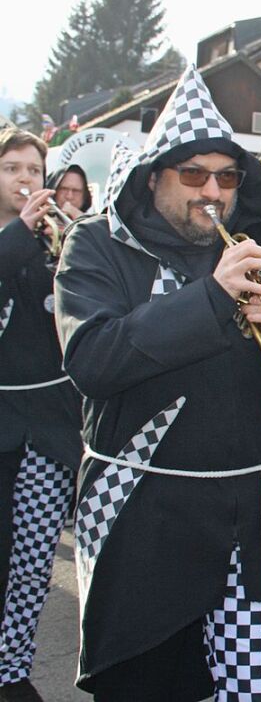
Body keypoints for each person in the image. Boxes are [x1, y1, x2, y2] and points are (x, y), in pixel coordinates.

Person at [54, 66, 261, 700]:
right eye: (194, 176)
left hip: (249, 523)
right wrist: (212, 301)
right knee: (149, 686)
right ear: (154, 177)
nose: (213, 191)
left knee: (254, 690)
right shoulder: (96, 246)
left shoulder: (258, 251)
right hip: (143, 520)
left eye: (228, 177)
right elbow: (94, 358)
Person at [0, 128, 82, 702]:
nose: (26, 178)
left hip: (49, 423)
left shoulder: (55, 238)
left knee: (32, 561)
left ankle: (12, 669)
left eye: (34, 168)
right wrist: (17, 235)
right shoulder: (12, 240)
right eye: (12, 168)